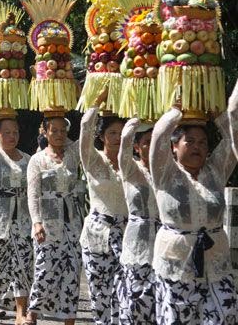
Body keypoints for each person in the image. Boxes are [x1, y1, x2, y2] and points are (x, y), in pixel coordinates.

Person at [149, 82, 238, 324]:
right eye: (190, 141)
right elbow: (157, 139)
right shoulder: (165, 172)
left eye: (203, 142)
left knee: (225, 316)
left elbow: (234, 140)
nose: (197, 147)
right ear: (174, 147)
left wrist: (220, 116)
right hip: (176, 265)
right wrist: (175, 112)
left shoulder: (216, 170)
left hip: (216, 263)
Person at [25, 115, 82, 325]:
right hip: (48, 222)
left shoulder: (73, 154)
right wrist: (37, 222)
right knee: (44, 269)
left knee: (73, 270)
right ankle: (33, 312)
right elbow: (32, 194)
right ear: (45, 132)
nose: (59, 135)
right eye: (54, 130)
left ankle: (69, 318)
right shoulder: (37, 160)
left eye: (63, 131)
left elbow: (85, 133)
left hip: (72, 221)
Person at [0, 102, 32, 325]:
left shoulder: (28, 159)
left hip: (22, 218)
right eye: (7, 132)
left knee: (23, 263)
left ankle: (21, 311)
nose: (12, 136)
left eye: (15, 132)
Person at [79, 90, 128, 325]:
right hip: (97, 234)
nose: (118, 137)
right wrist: (95, 103)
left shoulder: (135, 165)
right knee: (100, 294)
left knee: (126, 293)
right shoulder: (94, 161)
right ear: (102, 136)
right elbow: (84, 131)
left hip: (129, 236)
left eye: (122, 133)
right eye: (112, 133)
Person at [116, 118, 158, 323]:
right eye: (147, 142)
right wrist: (140, 115)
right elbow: (124, 139)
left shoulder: (171, 172)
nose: (152, 147)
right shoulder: (130, 170)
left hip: (164, 246)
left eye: (157, 141)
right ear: (136, 146)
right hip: (137, 246)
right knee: (135, 302)